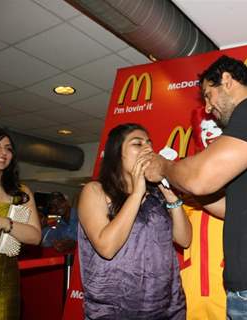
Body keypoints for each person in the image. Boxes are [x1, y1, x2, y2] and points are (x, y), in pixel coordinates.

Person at [145, 55, 247, 319]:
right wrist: (173, 186)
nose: (208, 107)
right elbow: (229, 208)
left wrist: (164, 167)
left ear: (226, 80)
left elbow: (201, 178)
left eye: (208, 95)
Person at [77, 123, 191, 319]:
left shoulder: (157, 195)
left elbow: (184, 240)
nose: (148, 149)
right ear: (116, 154)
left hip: (166, 308)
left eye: (149, 143)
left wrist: (171, 196)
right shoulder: (95, 191)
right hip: (114, 310)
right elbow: (106, 247)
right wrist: (137, 192)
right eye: (137, 144)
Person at [180, 107, 226, 319]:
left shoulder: (246, 170)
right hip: (193, 282)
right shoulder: (187, 175)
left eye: (215, 126)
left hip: (229, 282)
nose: (209, 133)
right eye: (204, 128)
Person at [0, 127, 42, 319]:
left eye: (8, 148)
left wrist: (4, 222)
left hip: (3, 286)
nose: (3, 153)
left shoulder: (20, 192)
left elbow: (35, 236)